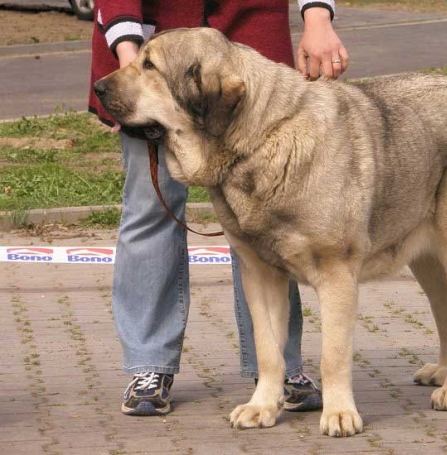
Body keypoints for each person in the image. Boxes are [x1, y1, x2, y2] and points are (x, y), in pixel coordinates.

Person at [88, 0, 349, 416]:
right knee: (150, 209)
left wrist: (317, 14)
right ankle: (149, 366)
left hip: (248, 56)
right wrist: (133, 64)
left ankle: (281, 368)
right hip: (149, 51)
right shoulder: (140, 65)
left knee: (274, 219)